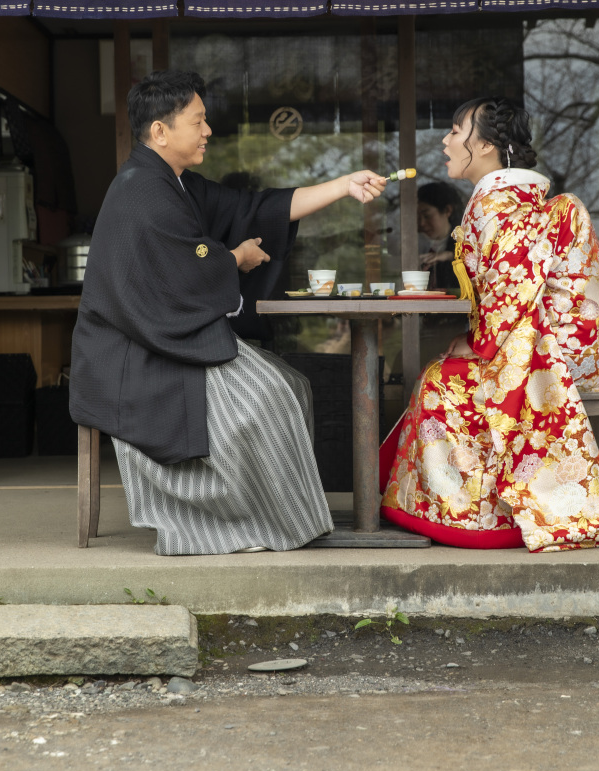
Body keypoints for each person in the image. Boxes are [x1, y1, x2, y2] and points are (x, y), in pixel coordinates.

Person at [69, 69, 387, 556]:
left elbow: (257, 208)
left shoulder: (175, 184)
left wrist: (344, 185)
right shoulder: (141, 191)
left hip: (165, 338)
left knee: (291, 383)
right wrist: (234, 260)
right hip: (132, 354)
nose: (207, 131)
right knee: (267, 398)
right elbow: (184, 271)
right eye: (197, 122)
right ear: (160, 131)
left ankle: (289, 515)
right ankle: (251, 520)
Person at [380, 96, 599, 553]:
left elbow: (512, 291)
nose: (446, 140)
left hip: (549, 354)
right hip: (561, 343)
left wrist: (478, 346)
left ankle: (478, 517)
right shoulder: (512, 198)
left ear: (488, 145)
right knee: (445, 370)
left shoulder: (497, 203)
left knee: (439, 382)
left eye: (456, 131)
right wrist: (475, 341)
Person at [417, 180, 463, 291]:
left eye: (427, 216)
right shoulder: (416, 243)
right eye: (417, 217)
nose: (421, 223)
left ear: (447, 211)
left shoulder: (465, 241)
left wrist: (450, 256)